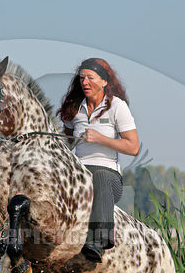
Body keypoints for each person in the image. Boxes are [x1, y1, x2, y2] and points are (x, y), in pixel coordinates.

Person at [57, 58, 139, 262]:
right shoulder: (75, 108)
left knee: (100, 177)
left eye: (90, 77)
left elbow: (133, 146)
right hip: (79, 174)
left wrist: (101, 139)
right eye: (82, 78)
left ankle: (98, 241)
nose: (85, 82)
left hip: (108, 177)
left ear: (104, 82)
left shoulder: (117, 107)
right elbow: (66, 144)